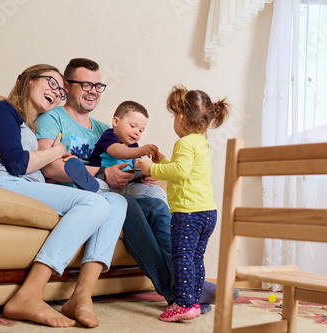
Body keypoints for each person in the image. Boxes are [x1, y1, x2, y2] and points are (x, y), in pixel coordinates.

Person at [35, 58, 228, 314]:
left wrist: (143, 174)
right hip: (82, 191)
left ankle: (187, 287)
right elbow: (48, 167)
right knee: (129, 207)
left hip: (113, 188)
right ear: (68, 86)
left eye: (98, 85)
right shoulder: (52, 118)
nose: (93, 90)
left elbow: (126, 160)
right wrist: (104, 174)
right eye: (85, 84)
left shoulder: (105, 128)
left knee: (159, 208)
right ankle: (176, 293)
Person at [0, 64, 128, 328]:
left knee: (116, 201)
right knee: (93, 202)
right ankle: (29, 295)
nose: (57, 93)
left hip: (26, 186)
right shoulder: (1, 110)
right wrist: (57, 152)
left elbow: (32, 167)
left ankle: (81, 295)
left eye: (61, 92)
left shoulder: (29, 128)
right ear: (30, 80)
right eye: (51, 84)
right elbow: (17, 163)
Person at [136, 85, 229, 322]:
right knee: (195, 257)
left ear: (181, 116)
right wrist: (164, 161)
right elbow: (185, 171)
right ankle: (194, 301)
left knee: (183, 257)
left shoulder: (185, 143)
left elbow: (180, 171)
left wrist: (151, 168)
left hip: (188, 213)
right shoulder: (200, 142)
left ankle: (185, 304)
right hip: (207, 211)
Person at [88, 100, 167, 204]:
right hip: (104, 182)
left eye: (141, 130)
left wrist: (150, 169)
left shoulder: (134, 145)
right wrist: (140, 150)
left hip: (126, 185)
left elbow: (138, 163)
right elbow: (117, 151)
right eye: (133, 126)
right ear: (116, 122)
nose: (136, 132)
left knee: (157, 192)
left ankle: (172, 219)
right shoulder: (109, 136)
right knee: (94, 187)